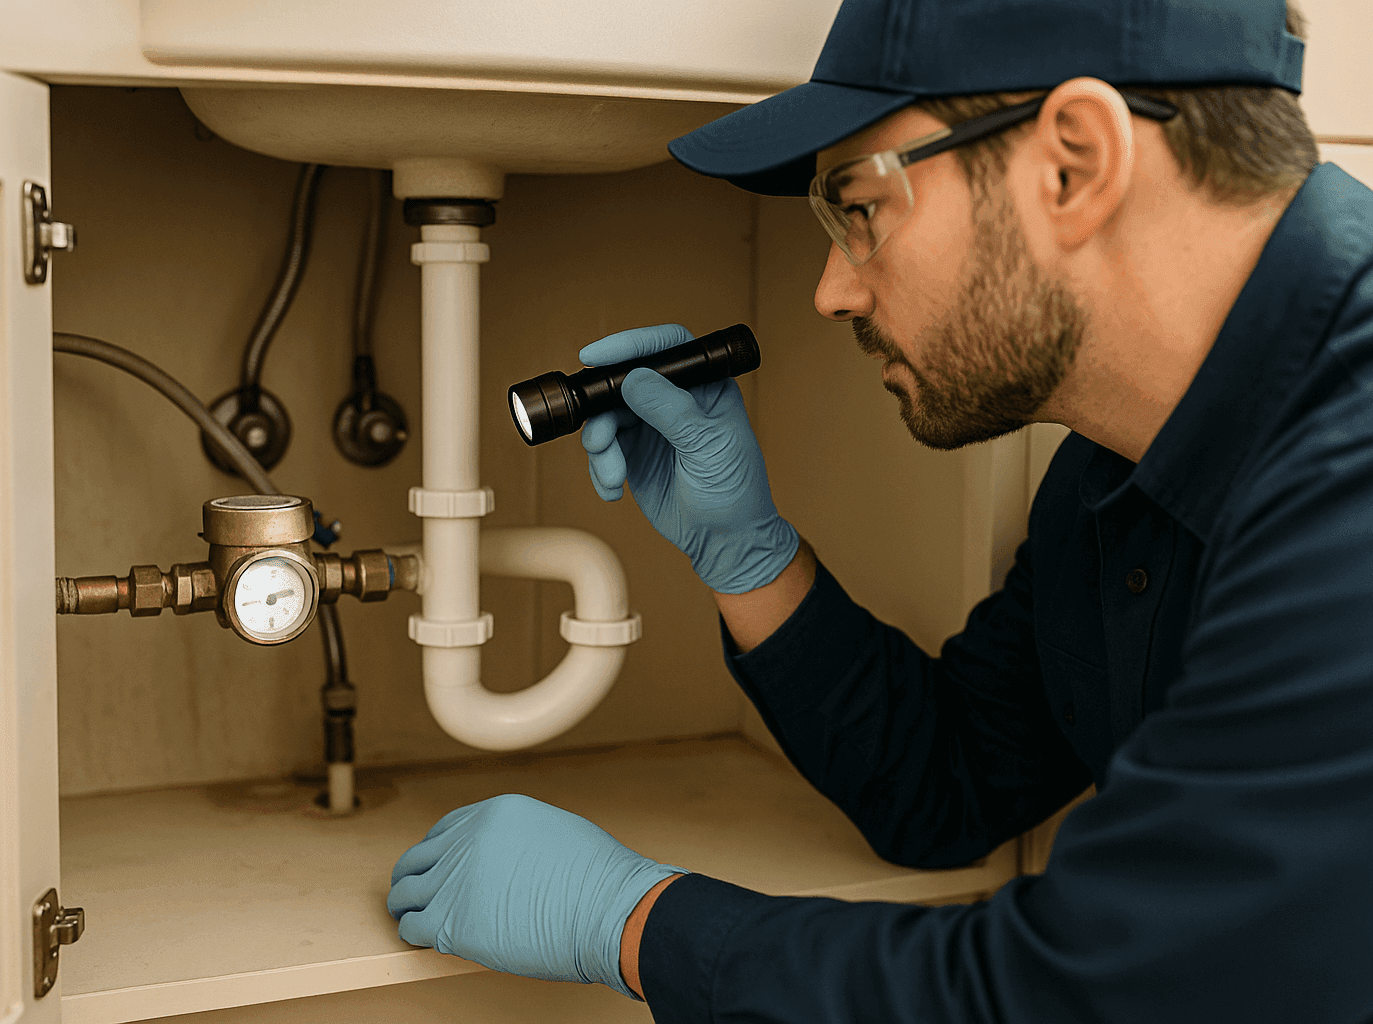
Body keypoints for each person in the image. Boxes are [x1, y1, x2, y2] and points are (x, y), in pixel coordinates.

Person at [387, 0, 1373, 1019]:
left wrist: (632, 922)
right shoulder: (1108, 473)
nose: (831, 291)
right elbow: (950, 784)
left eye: (858, 208)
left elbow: (1093, 993)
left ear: (1074, 163)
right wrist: (749, 557)